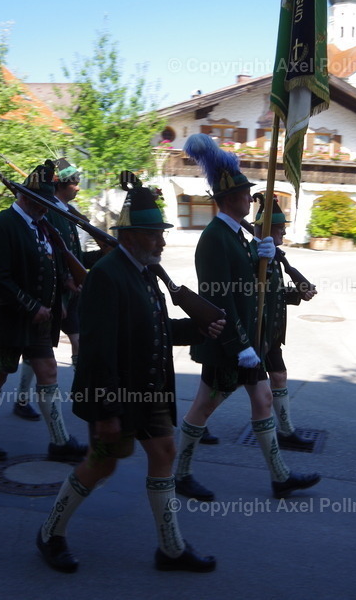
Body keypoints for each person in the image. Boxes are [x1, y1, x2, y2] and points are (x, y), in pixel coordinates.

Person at [37, 177, 222, 573]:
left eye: (161, 234)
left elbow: (154, 328)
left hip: (150, 391)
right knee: (102, 464)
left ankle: (171, 549)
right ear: (133, 235)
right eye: (155, 234)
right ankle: (50, 533)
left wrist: (196, 328)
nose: (162, 241)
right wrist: (106, 411)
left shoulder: (144, 272)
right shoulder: (107, 274)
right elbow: (99, 349)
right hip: (116, 395)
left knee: (165, 453)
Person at [174, 133, 320, 501]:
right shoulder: (214, 239)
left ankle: (280, 477)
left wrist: (264, 259)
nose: (248, 197)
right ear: (228, 200)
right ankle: (180, 472)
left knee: (262, 400)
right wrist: (240, 346)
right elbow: (219, 299)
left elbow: (255, 292)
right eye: (243, 194)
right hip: (228, 345)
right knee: (204, 407)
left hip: (247, 345)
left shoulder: (239, 237)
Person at [0, 161, 86, 463]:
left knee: (48, 372)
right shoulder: (2, 225)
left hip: (39, 321)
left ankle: (60, 441)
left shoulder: (42, 225)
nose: (47, 208)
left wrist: (66, 282)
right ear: (26, 197)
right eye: (43, 202)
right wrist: (30, 305)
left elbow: (52, 262)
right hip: (9, 319)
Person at [253, 195, 317, 451]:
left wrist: (297, 293)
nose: (285, 232)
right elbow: (253, 296)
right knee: (220, 390)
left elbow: (273, 294)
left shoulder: (274, 256)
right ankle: (200, 422)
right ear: (268, 230)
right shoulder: (255, 256)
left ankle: (287, 430)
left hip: (271, 334)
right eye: (280, 228)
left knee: (279, 376)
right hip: (255, 334)